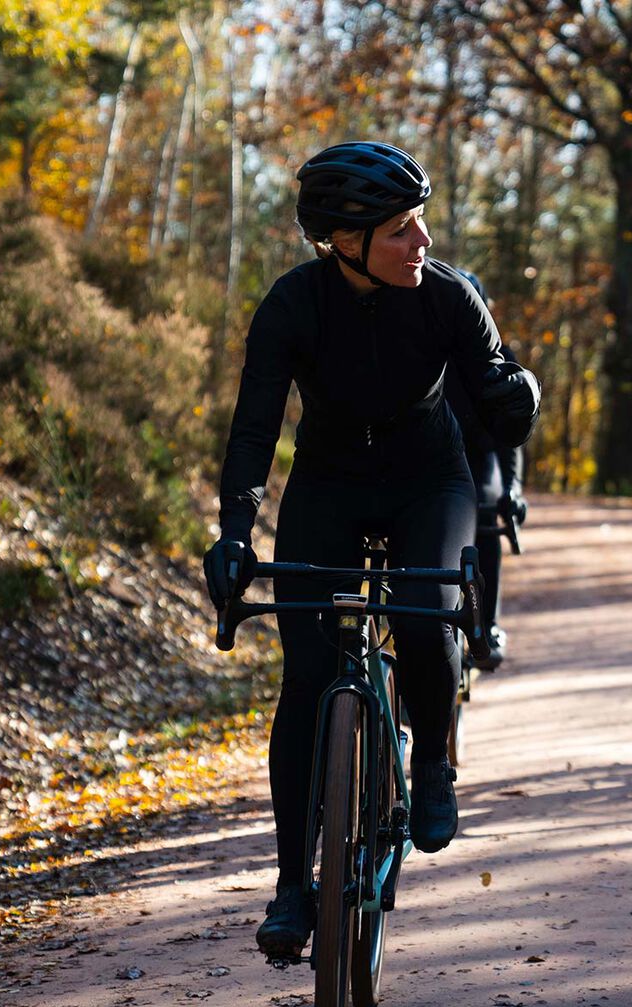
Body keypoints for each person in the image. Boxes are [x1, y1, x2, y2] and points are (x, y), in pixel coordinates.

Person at [202, 141, 540, 962]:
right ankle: (291, 886)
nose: (421, 241)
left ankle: (431, 767)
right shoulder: (291, 305)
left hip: (431, 478)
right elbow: (253, 430)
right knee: (308, 678)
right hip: (329, 483)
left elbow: (502, 400)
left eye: (420, 222)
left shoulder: (449, 298)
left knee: (426, 616)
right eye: (400, 229)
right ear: (342, 242)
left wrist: (516, 398)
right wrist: (234, 533)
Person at [449, 270, 527, 671]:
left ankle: (489, 622)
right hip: (436, 457)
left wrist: (512, 489)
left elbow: (510, 440)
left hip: (481, 458)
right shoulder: (428, 351)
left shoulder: (500, 358)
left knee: (487, 513)